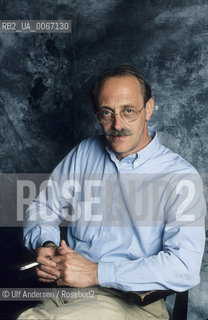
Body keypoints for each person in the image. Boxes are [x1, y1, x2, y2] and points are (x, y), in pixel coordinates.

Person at [18, 64, 206, 320]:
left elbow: (184, 267)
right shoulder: (85, 152)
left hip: (133, 304)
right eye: (107, 113)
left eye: (128, 111)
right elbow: (43, 208)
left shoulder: (180, 177)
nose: (117, 124)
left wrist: (97, 273)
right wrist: (47, 245)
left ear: (148, 109)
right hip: (66, 291)